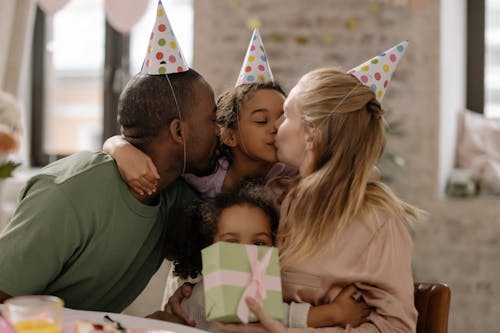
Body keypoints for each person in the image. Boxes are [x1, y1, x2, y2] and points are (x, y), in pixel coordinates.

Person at [218, 43, 420, 333]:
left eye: (286, 115)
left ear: (311, 135)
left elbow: (395, 328)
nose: (276, 127)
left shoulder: (379, 220)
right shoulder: (272, 197)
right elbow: (231, 299)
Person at [0, 68, 218, 312]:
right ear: (178, 131)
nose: (219, 130)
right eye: (212, 120)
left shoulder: (175, 195)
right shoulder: (68, 194)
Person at [148, 182, 370, 332]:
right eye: (231, 243)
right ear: (207, 251)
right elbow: (270, 315)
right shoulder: (207, 293)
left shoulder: (263, 285)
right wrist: (334, 314)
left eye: (258, 243)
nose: (247, 253)